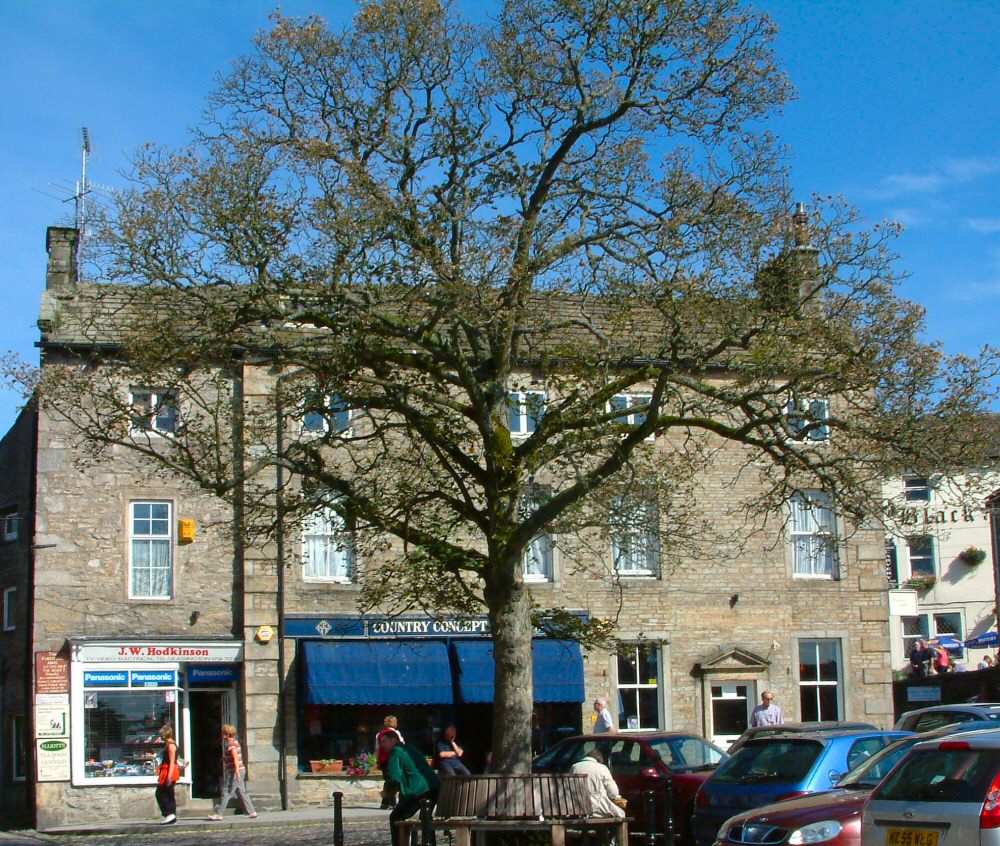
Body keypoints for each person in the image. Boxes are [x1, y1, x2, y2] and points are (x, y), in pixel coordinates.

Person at [380, 730, 440, 846]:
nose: (382, 745)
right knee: (426, 817)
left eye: (384, 741)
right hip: (433, 788)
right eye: (381, 742)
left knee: (396, 817)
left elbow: (394, 778)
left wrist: (386, 793)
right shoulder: (410, 748)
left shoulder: (396, 752)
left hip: (418, 791)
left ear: (394, 740)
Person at [208, 724, 257, 820]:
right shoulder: (235, 742)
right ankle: (251, 812)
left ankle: (219, 814)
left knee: (226, 791)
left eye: (222, 733)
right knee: (241, 791)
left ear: (225, 734)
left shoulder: (230, 744)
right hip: (240, 770)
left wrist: (237, 771)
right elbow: (234, 756)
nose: (221, 735)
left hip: (234, 771)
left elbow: (235, 756)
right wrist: (226, 759)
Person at [570, 749, 626, 818]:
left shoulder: (574, 767)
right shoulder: (601, 768)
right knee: (621, 814)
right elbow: (613, 793)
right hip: (597, 808)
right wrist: (618, 799)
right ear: (599, 760)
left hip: (577, 808)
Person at [376, 716, 405, 809]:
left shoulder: (379, 734)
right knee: (393, 780)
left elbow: (377, 749)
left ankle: (385, 802)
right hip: (394, 759)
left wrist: (378, 761)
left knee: (388, 780)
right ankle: (392, 803)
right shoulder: (396, 733)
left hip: (384, 759)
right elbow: (402, 745)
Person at [155, 725, 180, 825]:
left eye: (161, 734)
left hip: (169, 771)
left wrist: (169, 776)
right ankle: (170, 815)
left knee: (164, 793)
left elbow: (172, 762)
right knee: (163, 792)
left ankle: (170, 813)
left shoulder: (171, 745)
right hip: (165, 771)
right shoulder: (168, 744)